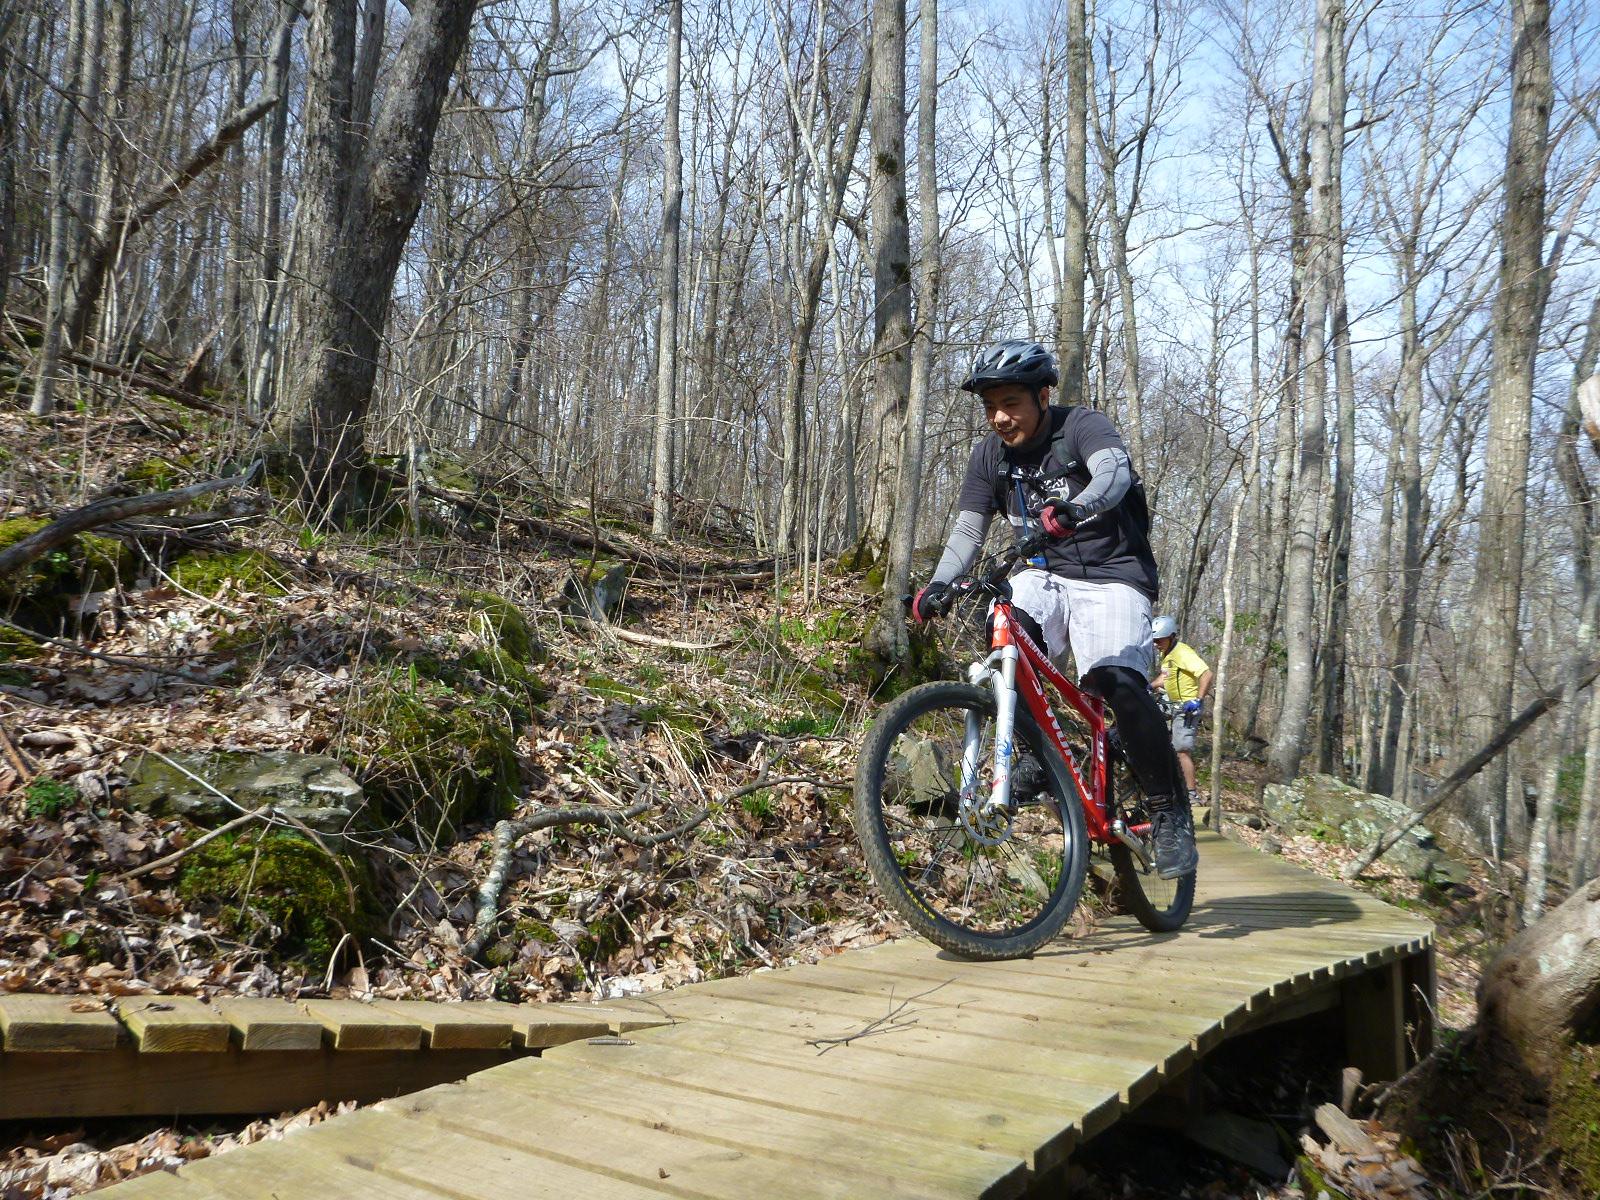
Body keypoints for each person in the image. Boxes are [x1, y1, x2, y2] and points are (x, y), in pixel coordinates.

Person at [909, 339, 1198, 879]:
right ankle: (1042, 759)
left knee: (1117, 681)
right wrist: (938, 585)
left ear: (1043, 395)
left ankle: (1168, 811)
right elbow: (969, 529)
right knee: (1005, 638)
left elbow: (1113, 473)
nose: (999, 417)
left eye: (1011, 403)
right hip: (1044, 572)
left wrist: (1076, 508)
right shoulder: (988, 457)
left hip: (1113, 574)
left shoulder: (1081, 427)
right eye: (990, 406)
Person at [1151, 615, 1213, 803]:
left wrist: (1198, 699)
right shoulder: (1168, 655)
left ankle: (1191, 794)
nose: (1156, 644)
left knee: (1181, 749)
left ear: (1171, 636)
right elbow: (1166, 679)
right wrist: (1149, 686)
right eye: (1154, 641)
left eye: (1159, 640)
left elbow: (1206, 674)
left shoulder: (1182, 653)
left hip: (1187, 707)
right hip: (1172, 703)